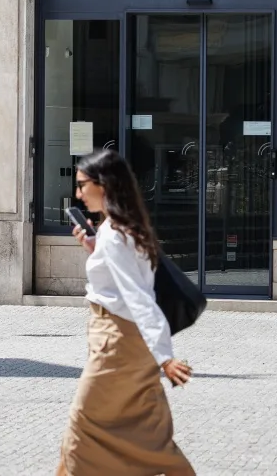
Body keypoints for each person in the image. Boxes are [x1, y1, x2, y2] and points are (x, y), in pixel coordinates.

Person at [60, 147, 194, 475]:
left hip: (116, 344)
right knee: (146, 432)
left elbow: (138, 297)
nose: (78, 194)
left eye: (82, 185)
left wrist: (165, 356)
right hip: (127, 343)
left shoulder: (113, 235)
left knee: (82, 428)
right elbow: (131, 285)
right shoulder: (123, 228)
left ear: (103, 185)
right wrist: (94, 249)